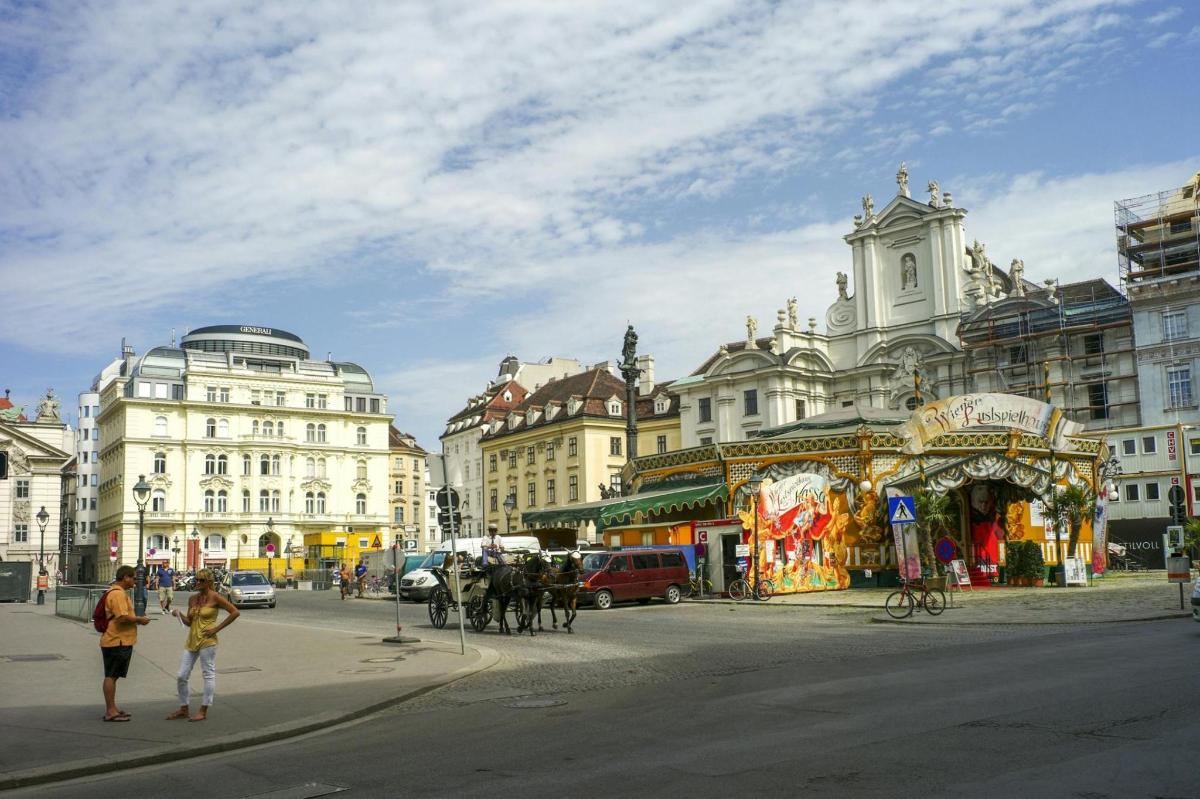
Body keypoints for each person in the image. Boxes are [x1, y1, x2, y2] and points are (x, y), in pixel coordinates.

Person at [167, 568, 239, 722]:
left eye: (201, 580)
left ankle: (203, 709)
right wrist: (178, 614)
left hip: (208, 641)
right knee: (181, 675)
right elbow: (189, 622)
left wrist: (216, 628)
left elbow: (234, 612)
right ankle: (184, 708)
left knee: (208, 673)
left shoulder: (216, 597)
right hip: (192, 640)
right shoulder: (192, 599)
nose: (197, 582)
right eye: (196, 580)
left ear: (209, 582)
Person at [100, 565, 151, 722]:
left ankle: (113, 708)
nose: (136, 581)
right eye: (134, 578)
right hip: (117, 640)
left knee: (113, 676)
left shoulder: (116, 592)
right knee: (111, 676)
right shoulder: (118, 595)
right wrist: (140, 620)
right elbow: (122, 618)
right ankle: (110, 711)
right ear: (125, 577)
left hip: (118, 640)